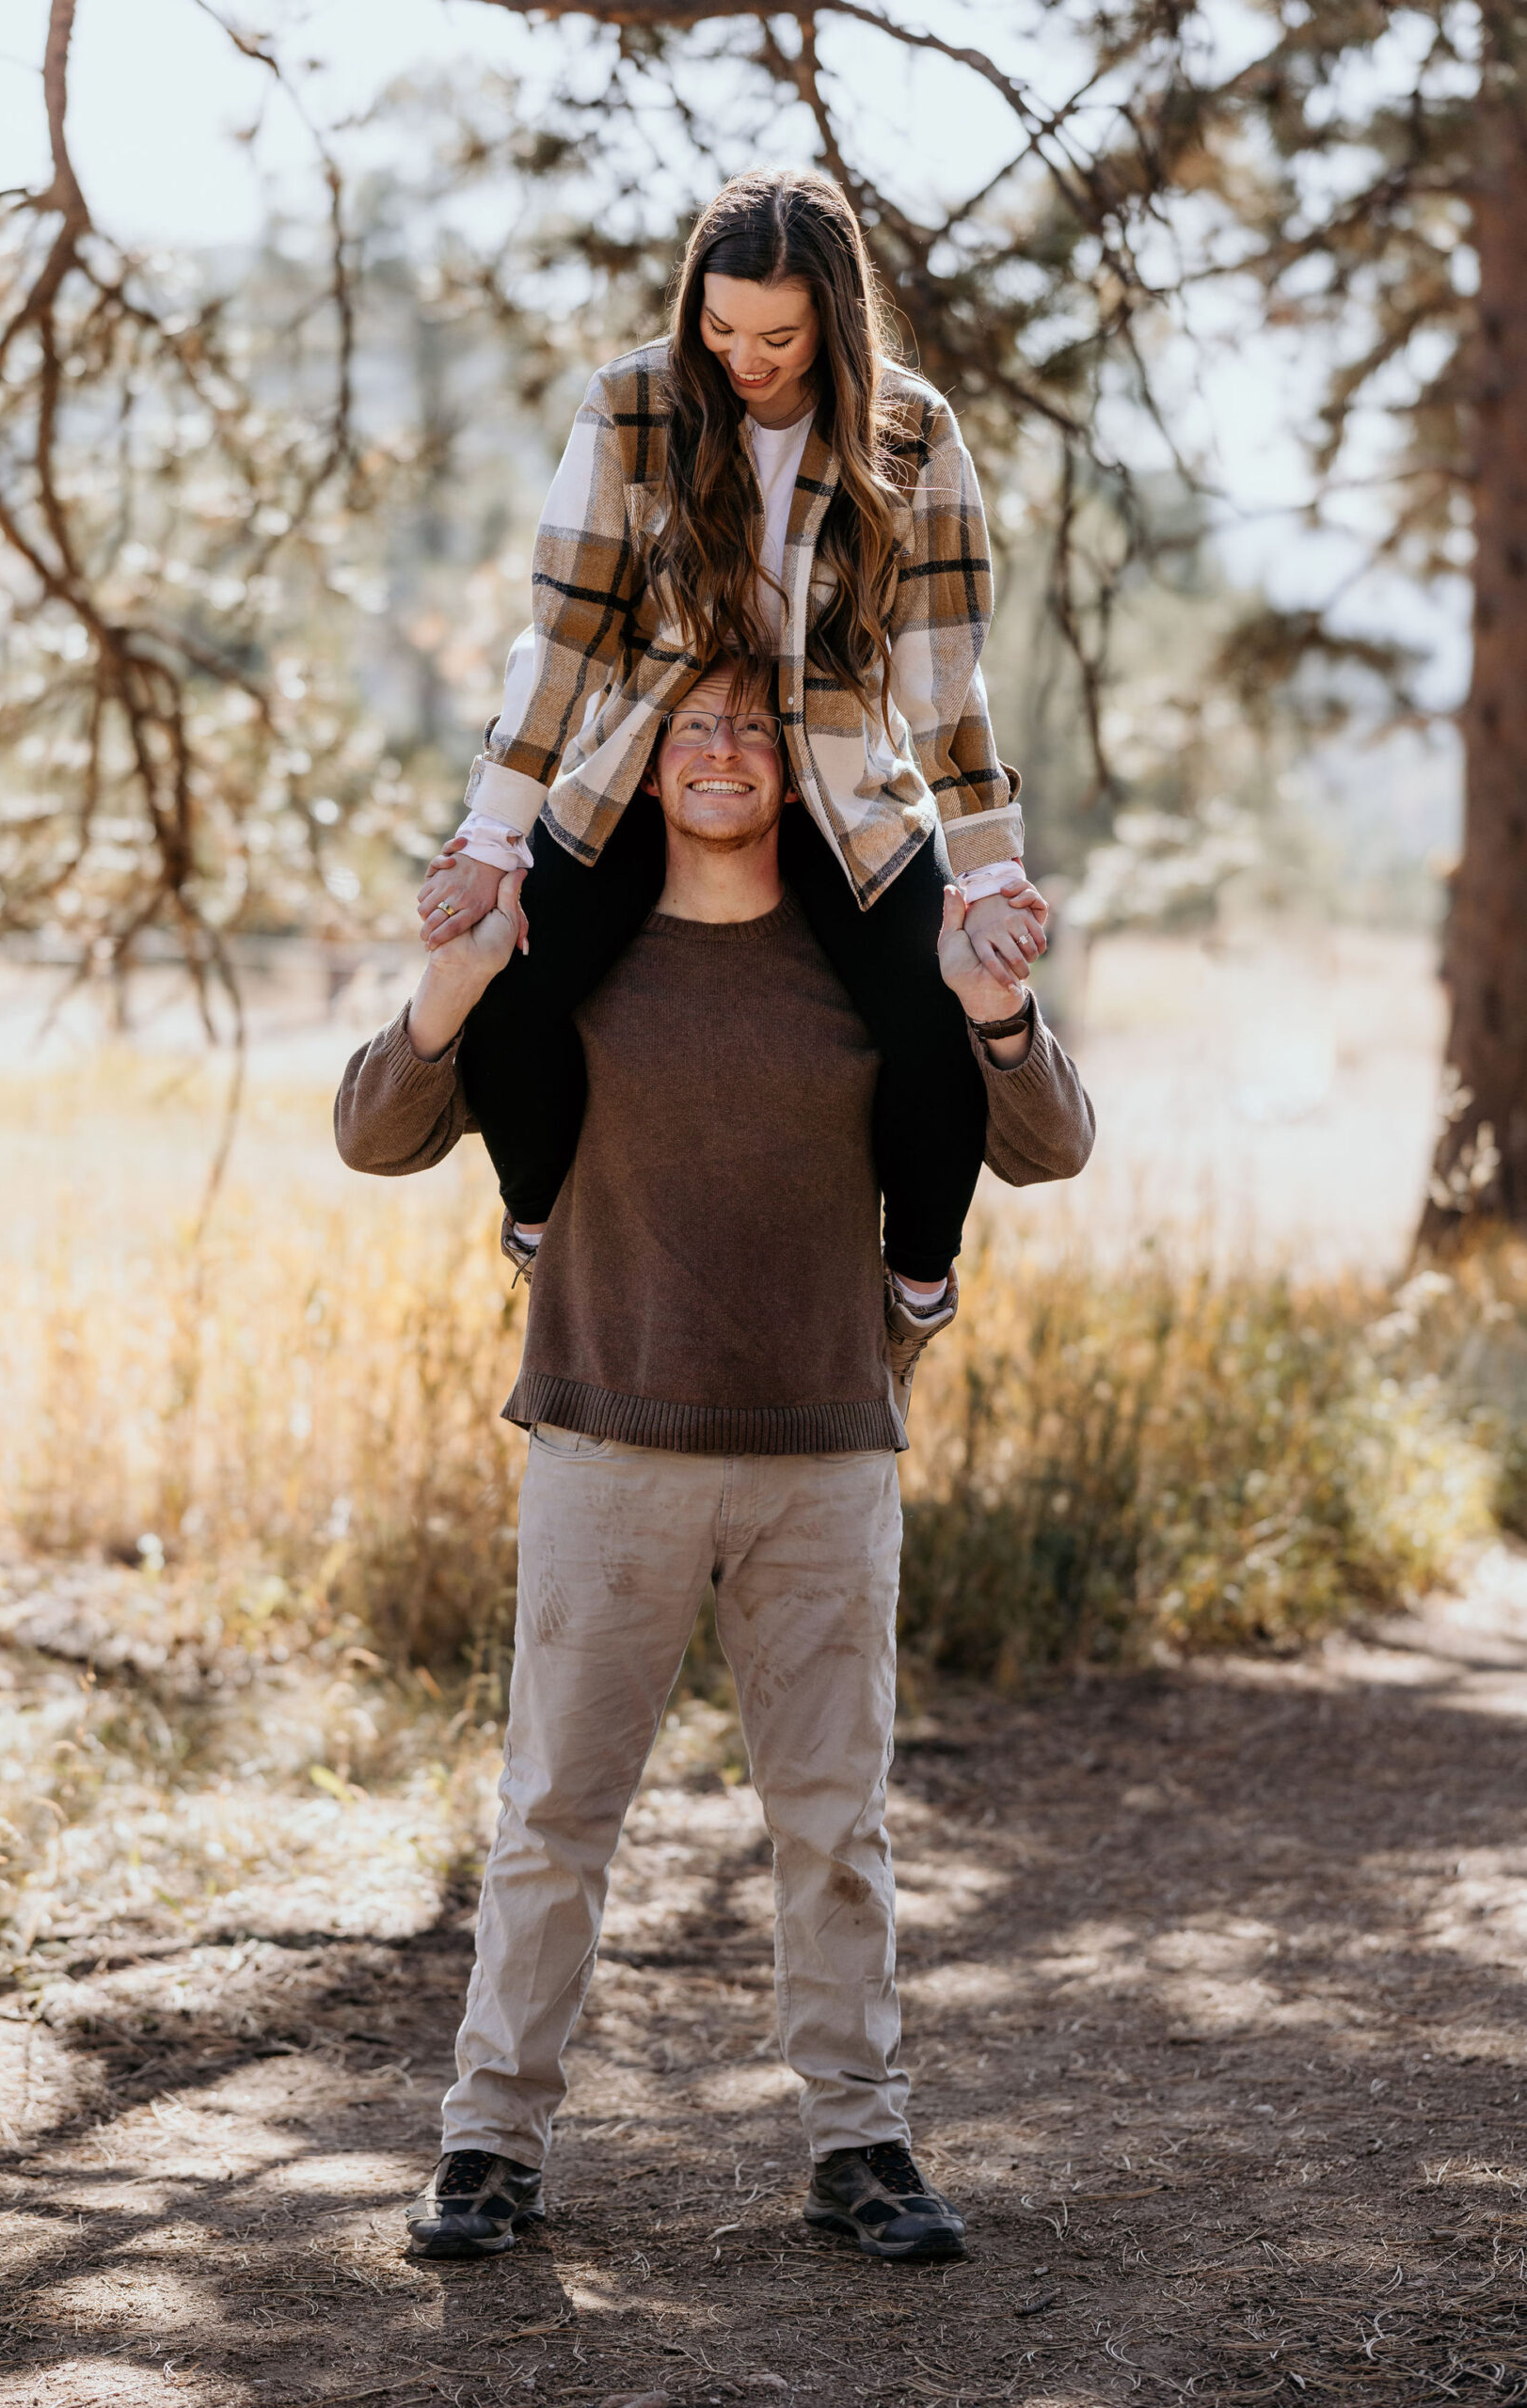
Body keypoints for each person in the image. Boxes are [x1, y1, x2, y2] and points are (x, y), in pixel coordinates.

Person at [334, 660, 1094, 2265]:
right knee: (555, 1811)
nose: (727, 748)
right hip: (607, 1445)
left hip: (824, 1452)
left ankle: (859, 2143)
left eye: (755, 724)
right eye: (693, 727)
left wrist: (992, 1006)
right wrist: (458, 979)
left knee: (836, 1821)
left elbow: (1049, 1141)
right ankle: (487, 2146)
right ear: (646, 767)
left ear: (800, 765)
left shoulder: (879, 964)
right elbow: (373, 1129)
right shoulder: (572, 965)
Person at [415, 166, 1047, 1317]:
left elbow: (943, 675)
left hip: (840, 783)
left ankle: (914, 1285)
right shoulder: (631, 405)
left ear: (834, 325)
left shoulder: (910, 430)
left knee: (930, 1018)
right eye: (719, 326)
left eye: (778, 336)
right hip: (645, 766)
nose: (744, 358)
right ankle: (544, 1226)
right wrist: (492, 836)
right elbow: (566, 633)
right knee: (513, 986)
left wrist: (991, 866)